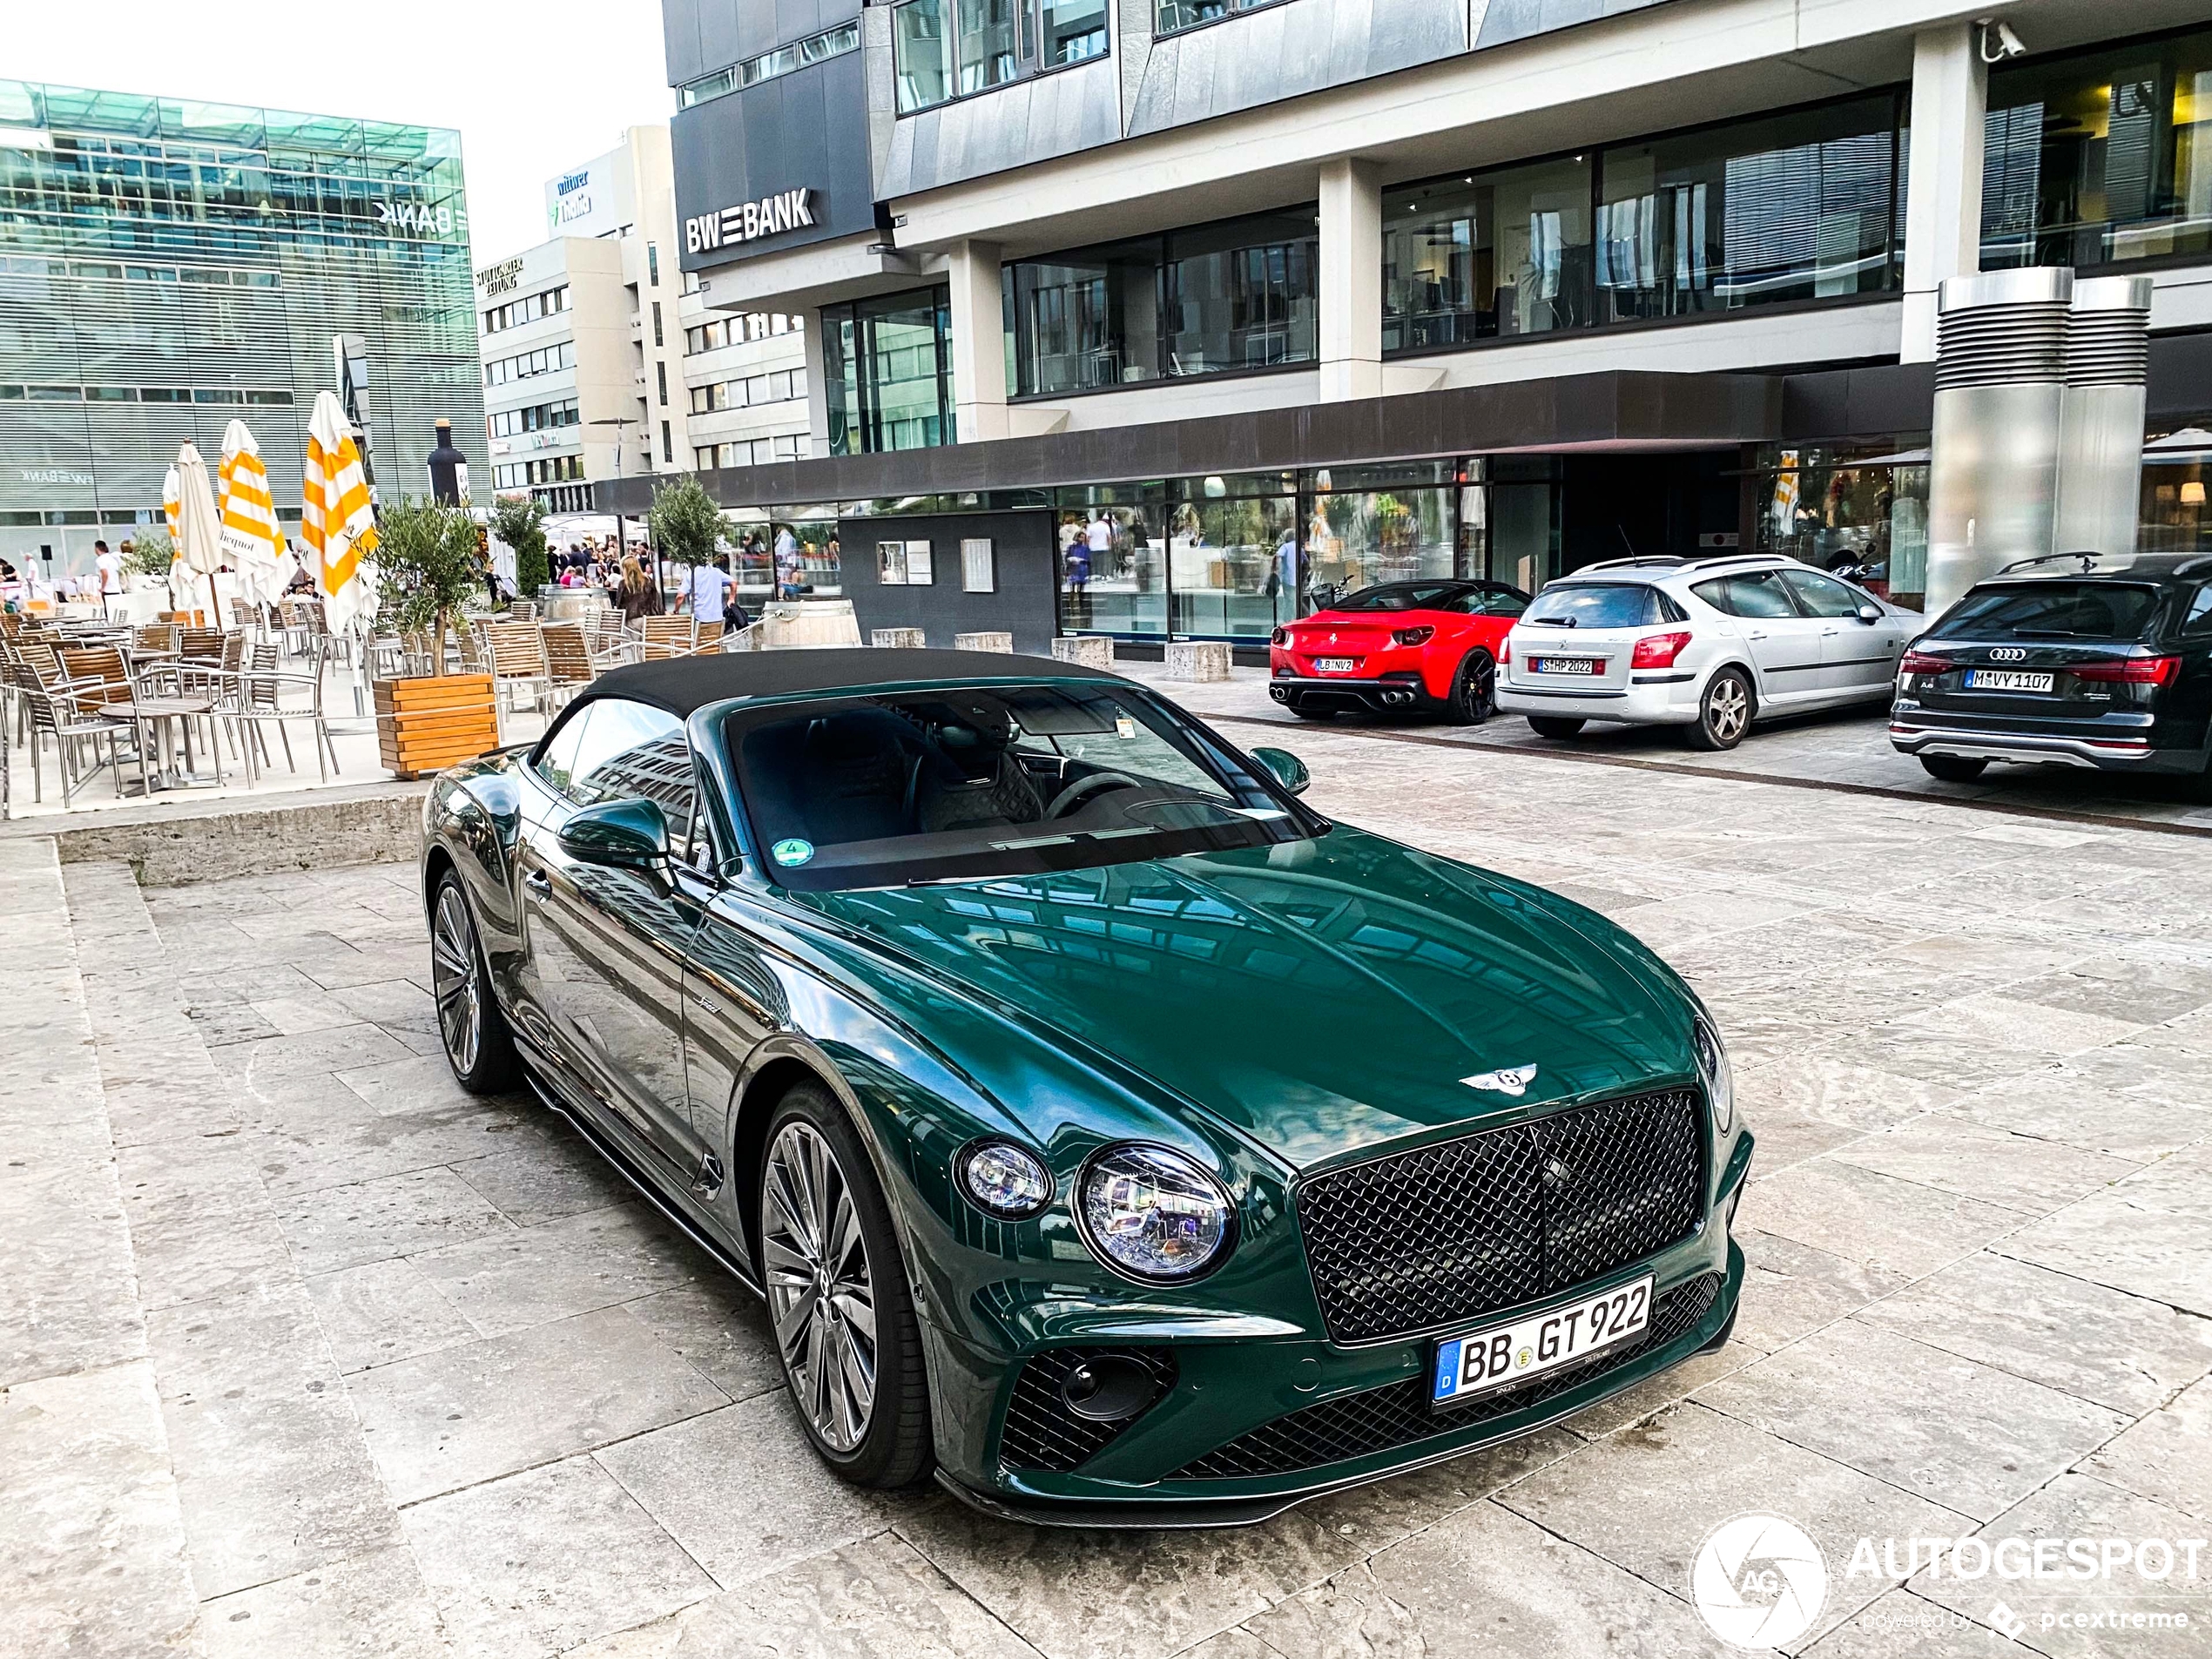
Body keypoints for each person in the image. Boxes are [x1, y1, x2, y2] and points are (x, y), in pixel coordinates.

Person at [688, 553, 735, 624]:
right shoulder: (717, 572)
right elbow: (733, 582)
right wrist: (731, 598)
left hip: (699, 618)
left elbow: (680, 596)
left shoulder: (691, 573)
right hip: (717, 618)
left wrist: (676, 611)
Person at [616, 556, 656, 624]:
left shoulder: (623, 583)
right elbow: (656, 601)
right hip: (648, 619)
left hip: (631, 620)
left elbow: (619, 604)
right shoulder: (648, 581)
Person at [774, 524, 803, 599]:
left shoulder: (785, 538)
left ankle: (781, 597)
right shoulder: (789, 538)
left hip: (784, 563)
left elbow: (784, 552)